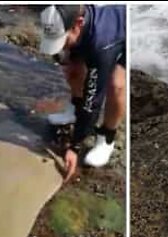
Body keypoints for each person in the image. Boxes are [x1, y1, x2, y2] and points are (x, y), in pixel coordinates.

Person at [36, 5, 126, 181]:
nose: (60, 46)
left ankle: (107, 138)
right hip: (86, 35)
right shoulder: (57, 14)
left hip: (123, 32)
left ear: (78, 24)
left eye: (63, 39)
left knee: (116, 84)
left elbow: (93, 101)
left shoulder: (101, 45)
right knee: (72, 69)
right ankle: (74, 110)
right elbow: (62, 51)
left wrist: (75, 147)